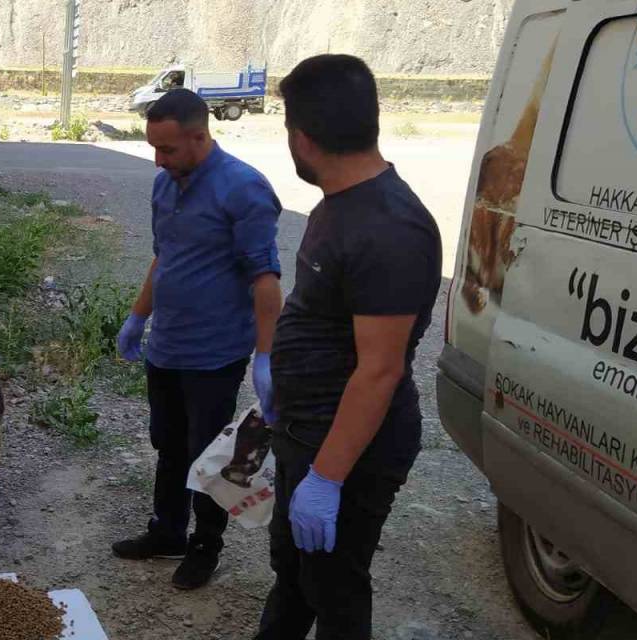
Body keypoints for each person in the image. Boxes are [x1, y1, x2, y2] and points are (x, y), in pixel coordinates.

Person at [254, 55, 443, 639]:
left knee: (335, 589)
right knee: (294, 571)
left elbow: (380, 372)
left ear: (302, 139)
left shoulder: (391, 229)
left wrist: (327, 479)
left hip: (348, 449)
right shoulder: (341, 201)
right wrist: (276, 374)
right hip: (305, 431)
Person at [112, 88, 283, 590]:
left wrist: (266, 356)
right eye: (153, 148)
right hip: (167, 347)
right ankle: (167, 532)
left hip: (214, 354)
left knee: (209, 458)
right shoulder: (165, 185)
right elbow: (164, 257)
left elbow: (265, 280)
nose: (158, 160)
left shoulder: (243, 189)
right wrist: (137, 317)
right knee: (167, 445)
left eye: (168, 150)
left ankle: (205, 546)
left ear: (200, 136)